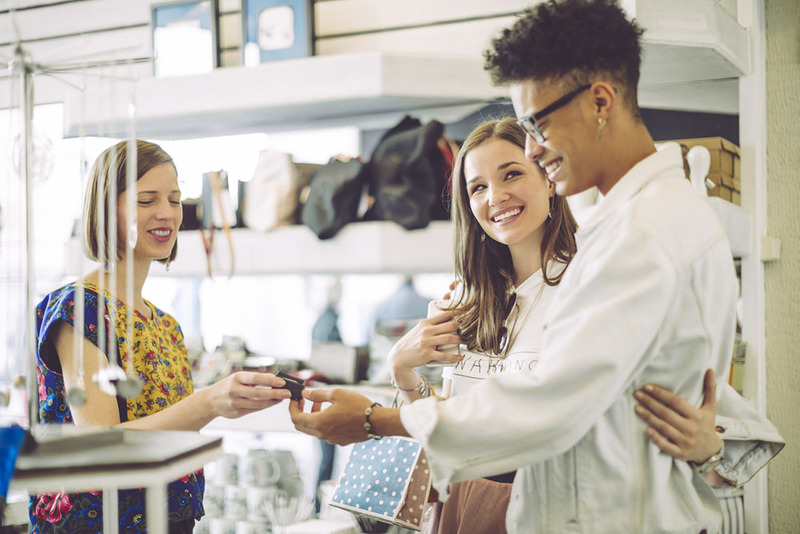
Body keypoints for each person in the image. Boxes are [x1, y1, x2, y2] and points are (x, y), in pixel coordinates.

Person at [290, 1, 782, 532]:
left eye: (537, 123)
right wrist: (402, 378)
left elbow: (545, 409)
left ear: (599, 101)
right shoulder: (642, 223)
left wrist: (369, 419)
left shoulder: (637, 237)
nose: (532, 146)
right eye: (477, 186)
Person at [31, 140, 292, 533]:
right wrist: (212, 401)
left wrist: (229, 401)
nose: (167, 213)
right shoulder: (79, 308)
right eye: (146, 199)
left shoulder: (166, 324)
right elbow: (100, 443)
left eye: (175, 199)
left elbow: (171, 431)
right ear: (105, 210)